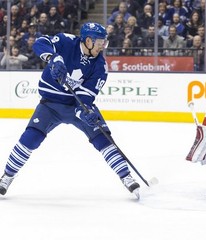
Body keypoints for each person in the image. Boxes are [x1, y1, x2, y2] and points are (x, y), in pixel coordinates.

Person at [0, 22, 140, 198]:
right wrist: (53, 57)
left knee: (103, 138)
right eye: (100, 42)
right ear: (88, 41)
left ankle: (126, 177)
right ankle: (7, 176)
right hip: (50, 104)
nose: (102, 46)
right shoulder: (67, 41)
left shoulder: (100, 66)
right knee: (30, 138)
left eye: (104, 42)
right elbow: (39, 43)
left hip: (76, 105)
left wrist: (84, 112)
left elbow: (86, 97)